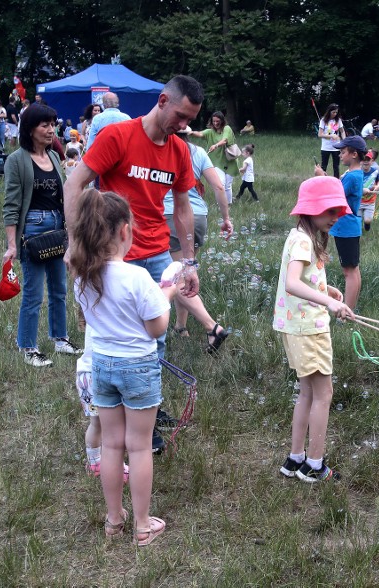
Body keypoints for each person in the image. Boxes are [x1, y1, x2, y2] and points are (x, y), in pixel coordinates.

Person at [64, 75, 232, 453]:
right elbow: (75, 183)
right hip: (114, 254)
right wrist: (76, 240)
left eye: (191, 120)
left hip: (157, 250)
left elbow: (184, 207)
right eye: (182, 116)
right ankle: (124, 423)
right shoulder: (117, 137)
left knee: (157, 334)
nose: (185, 125)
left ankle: (149, 410)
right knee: (120, 340)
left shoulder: (178, 151)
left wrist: (188, 261)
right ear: (162, 101)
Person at [68, 189, 175, 546]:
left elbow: (93, 320)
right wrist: (168, 297)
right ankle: (143, 526)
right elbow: (156, 327)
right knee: (140, 447)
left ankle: (114, 521)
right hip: (138, 368)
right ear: (125, 231)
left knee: (112, 445)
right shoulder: (137, 278)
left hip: (102, 367)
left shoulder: (82, 278)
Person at [275, 176, 354, 482]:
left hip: (295, 326)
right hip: (309, 328)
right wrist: (330, 303)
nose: (335, 218)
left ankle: (295, 459)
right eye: (330, 211)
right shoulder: (304, 240)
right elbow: (292, 283)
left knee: (307, 393)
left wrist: (327, 289)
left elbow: (300, 278)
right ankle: (316, 465)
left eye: (338, 211)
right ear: (311, 209)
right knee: (323, 394)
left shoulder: (298, 235)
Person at [3, 103, 83, 368]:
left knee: (59, 289)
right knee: (33, 293)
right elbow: (12, 204)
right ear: (30, 128)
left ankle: (60, 338)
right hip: (33, 230)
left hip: (57, 227)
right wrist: (12, 244)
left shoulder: (51, 157)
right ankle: (28, 346)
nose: (51, 130)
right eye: (45, 125)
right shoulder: (17, 160)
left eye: (52, 124)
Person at [165, 127, 232, 350]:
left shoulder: (163, 150)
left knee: (177, 278)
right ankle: (180, 326)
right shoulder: (198, 152)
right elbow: (219, 186)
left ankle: (212, 327)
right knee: (186, 272)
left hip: (171, 216)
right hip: (199, 217)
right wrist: (226, 218)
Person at [315, 135, 366, 310]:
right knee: (353, 270)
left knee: (349, 272)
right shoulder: (353, 174)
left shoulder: (352, 177)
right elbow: (338, 189)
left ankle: (348, 312)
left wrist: (322, 178)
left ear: (354, 154)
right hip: (349, 227)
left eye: (343, 152)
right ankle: (351, 308)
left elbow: (334, 197)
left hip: (346, 228)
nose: (340, 155)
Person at [76, 326, 129, 483]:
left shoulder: (92, 313)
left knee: (95, 424)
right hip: (103, 374)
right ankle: (117, 467)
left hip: (85, 375)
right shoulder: (110, 314)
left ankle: (95, 464)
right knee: (114, 428)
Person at [189, 111, 240, 201]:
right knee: (221, 184)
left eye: (218, 121)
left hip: (230, 161)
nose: (216, 123)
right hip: (217, 162)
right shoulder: (210, 132)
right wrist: (190, 132)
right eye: (214, 121)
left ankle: (228, 204)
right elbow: (200, 134)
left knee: (228, 185)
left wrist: (216, 145)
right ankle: (221, 203)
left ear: (222, 121)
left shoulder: (227, 128)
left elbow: (224, 140)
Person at [317, 104, 345, 178]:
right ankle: (322, 181)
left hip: (336, 147)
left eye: (336, 112)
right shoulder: (323, 120)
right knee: (324, 166)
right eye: (333, 112)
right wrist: (331, 136)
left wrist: (344, 141)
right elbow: (320, 134)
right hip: (326, 147)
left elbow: (342, 131)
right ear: (329, 111)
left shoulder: (338, 120)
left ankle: (336, 182)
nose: (335, 114)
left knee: (336, 166)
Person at [358, 149, 379, 231]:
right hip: (359, 201)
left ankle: (367, 224)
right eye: (364, 160)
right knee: (358, 219)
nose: (366, 162)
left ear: (372, 161)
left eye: (368, 160)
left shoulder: (375, 171)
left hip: (370, 201)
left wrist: (377, 186)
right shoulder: (358, 171)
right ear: (361, 161)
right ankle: (359, 232)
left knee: (368, 220)